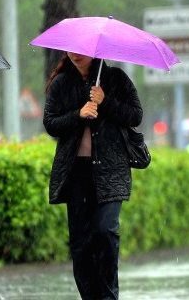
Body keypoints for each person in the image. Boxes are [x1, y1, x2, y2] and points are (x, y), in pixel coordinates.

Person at [43, 52, 142, 300]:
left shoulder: (115, 78)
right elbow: (50, 123)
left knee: (105, 231)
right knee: (81, 244)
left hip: (110, 170)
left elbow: (135, 116)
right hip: (76, 172)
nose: (75, 54)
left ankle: (109, 295)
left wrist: (105, 100)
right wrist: (78, 114)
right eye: (70, 49)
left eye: (81, 49)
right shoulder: (62, 83)